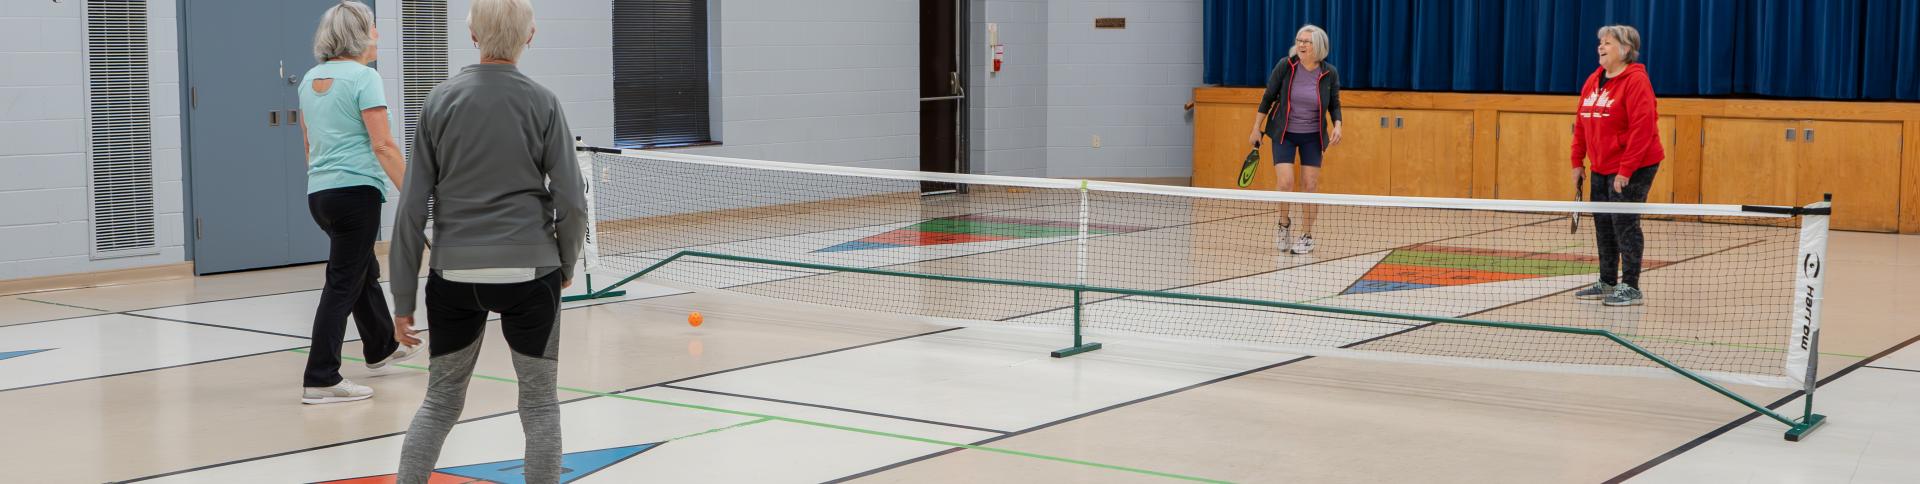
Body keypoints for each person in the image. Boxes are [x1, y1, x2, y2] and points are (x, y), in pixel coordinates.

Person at [389, 0, 587, 481]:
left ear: (473, 36)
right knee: (539, 405)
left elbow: (411, 207)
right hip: (532, 273)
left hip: (454, 275)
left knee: (440, 401)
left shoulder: (438, 101)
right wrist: (565, 263)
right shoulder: (544, 102)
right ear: (530, 36)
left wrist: (402, 300)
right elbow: (572, 199)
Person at [297, 0, 417, 405]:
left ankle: (380, 346)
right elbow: (383, 144)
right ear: (359, 35)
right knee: (343, 283)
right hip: (356, 194)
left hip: (320, 195)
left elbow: (309, 145)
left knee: (362, 269)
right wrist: (413, 195)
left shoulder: (310, 79)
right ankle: (321, 377)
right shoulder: (365, 78)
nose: (377, 34)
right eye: (373, 26)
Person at [1571, 24, 1664, 307]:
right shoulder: (1593, 80)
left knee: (1624, 224)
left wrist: (1626, 170)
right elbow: (1581, 123)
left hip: (1635, 165)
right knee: (1603, 224)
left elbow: (1643, 129)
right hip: (1600, 166)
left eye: (1608, 43)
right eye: (1600, 42)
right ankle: (1607, 280)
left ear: (1625, 50)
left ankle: (1631, 287)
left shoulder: (1636, 81)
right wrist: (1577, 161)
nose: (1601, 46)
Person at [1249, 24, 1342, 255]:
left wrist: (1338, 125)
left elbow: (1334, 103)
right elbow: (1268, 97)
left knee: (1310, 186)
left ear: (1317, 45)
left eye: (1306, 41)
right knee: (1285, 183)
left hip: (1313, 137)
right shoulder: (1286, 66)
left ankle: (1307, 236)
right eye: (1299, 40)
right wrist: (1256, 128)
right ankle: (1283, 225)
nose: (1301, 44)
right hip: (1284, 134)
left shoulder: (1329, 73)